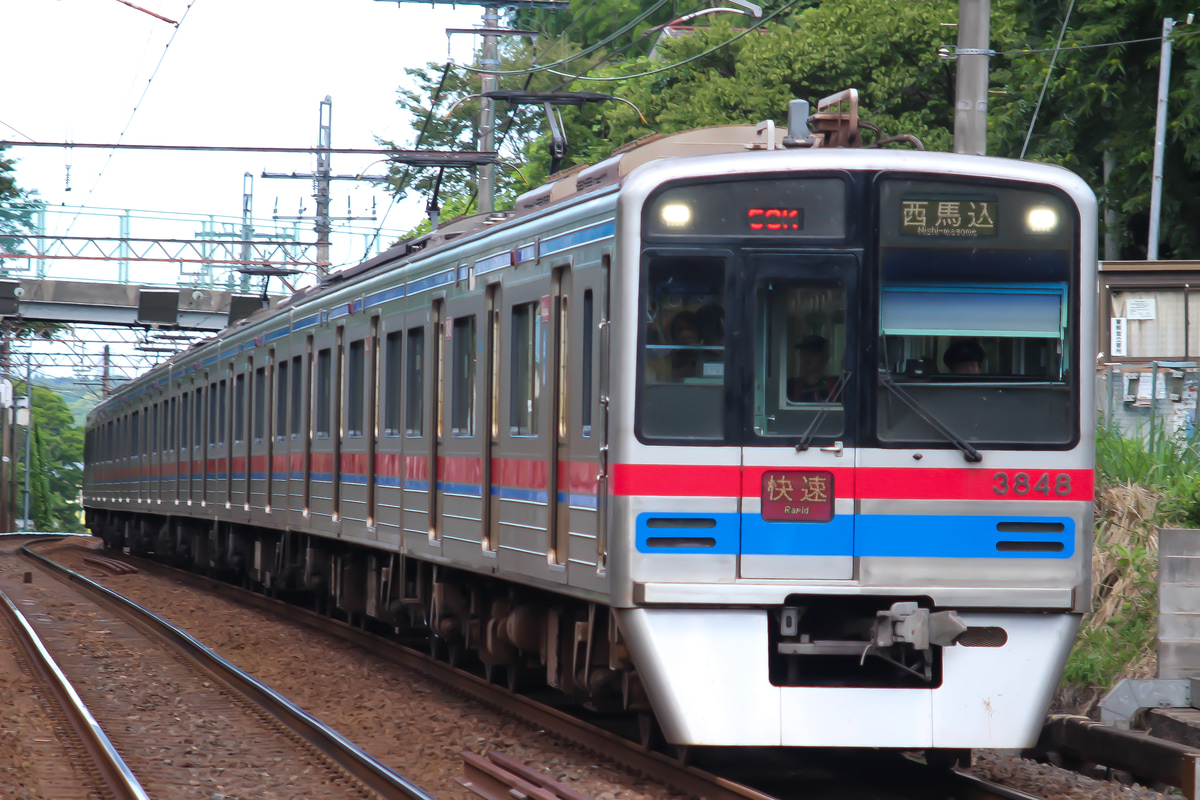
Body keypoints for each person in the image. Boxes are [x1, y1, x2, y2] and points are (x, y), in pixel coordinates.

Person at [787, 335, 838, 402]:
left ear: (825, 358)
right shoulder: (791, 386)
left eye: (813, 353)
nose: (807, 357)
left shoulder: (836, 385)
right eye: (804, 353)